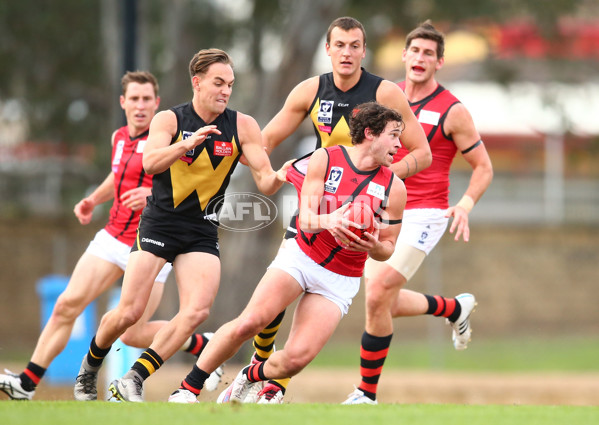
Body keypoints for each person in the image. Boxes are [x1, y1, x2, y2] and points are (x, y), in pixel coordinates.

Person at [218, 16, 431, 404]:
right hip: (318, 203)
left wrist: (376, 182)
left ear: (364, 51)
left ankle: (270, 384)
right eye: (340, 45)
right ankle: (258, 371)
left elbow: (423, 153)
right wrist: (262, 169)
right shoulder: (310, 91)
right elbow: (260, 142)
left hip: (356, 219)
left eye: (355, 45)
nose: (347, 53)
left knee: (315, 313)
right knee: (278, 295)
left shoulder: (386, 93)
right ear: (328, 49)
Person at [71, 48, 289, 403]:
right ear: (197, 82)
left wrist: (281, 174)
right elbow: (151, 162)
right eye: (218, 83)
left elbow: (265, 179)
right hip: (159, 224)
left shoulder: (242, 125)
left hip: (201, 230)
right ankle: (90, 367)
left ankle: (134, 378)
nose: (225, 91)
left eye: (230, 85)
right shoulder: (169, 120)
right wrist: (185, 144)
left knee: (197, 311)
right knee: (129, 313)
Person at [0, 71, 221, 401]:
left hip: (152, 242)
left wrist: (150, 193)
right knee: (65, 305)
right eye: (134, 99)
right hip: (113, 236)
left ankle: (206, 344)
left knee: (133, 333)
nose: (141, 105)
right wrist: (94, 198)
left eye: (147, 99)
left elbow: (191, 181)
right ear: (123, 102)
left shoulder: (168, 135)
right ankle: (27, 383)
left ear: (157, 103)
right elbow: (117, 175)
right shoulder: (119, 137)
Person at [167, 101, 407, 404]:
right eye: (394, 135)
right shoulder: (326, 158)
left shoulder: (394, 188)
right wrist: (330, 220)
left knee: (295, 359)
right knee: (249, 323)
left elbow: (388, 248)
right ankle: (187, 390)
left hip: (341, 277)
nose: (400, 144)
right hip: (301, 256)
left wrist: (374, 247)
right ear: (370, 133)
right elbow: (305, 218)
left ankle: (248, 376)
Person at [342, 20, 494, 405]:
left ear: (439, 62)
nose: (421, 58)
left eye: (429, 53)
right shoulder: (385, 100)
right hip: (385, 209)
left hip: (426, 213)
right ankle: (454, 307)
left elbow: (484, 167)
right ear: (405, 56)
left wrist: (465, 204)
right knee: (383, 302)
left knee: (377, 294)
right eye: (415, 51)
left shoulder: (452, 110)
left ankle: (365, 393)